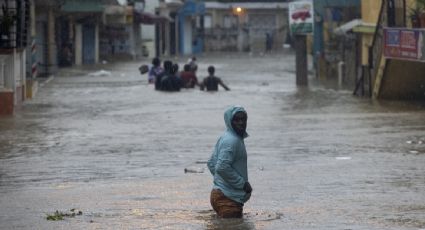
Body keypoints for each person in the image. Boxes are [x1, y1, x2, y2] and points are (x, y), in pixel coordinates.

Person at [207, 106, 252, 218]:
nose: (241, 123)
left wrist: (221, 182)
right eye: (236, 120)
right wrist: (242, 183)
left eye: (243, 119)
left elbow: (211, 163)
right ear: (229, 122)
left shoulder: (226, 137)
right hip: (228, 199)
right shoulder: (232, 141)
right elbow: (221, 167)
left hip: (219, 194)